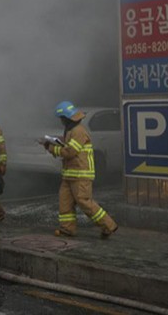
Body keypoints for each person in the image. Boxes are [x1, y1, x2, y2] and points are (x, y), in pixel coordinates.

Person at [45, 101, 118, 238]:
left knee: (85, 203)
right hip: (69, 175)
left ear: (66, 118)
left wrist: (51, 148)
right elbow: (68, 147)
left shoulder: (79, 131)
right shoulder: (71, 130)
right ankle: (67, 229)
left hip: (80, 175)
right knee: (65, 202)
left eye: (61, 118)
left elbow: (70, 152)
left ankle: (108, 226)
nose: (61, 121)